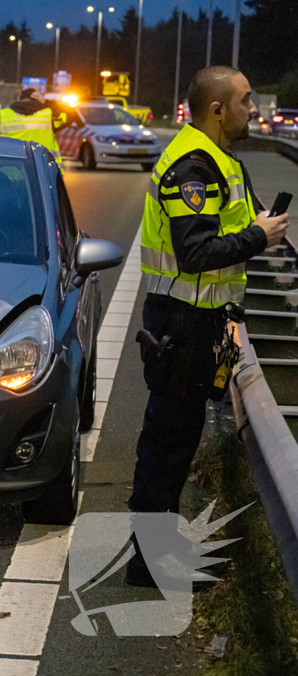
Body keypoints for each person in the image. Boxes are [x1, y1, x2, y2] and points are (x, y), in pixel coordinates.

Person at [127, 66, 290, 587]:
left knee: (177, 440)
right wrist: (258, 238)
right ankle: (150, 564)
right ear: (217, 109)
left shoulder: (220, 160)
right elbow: (195, 252)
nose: (253, 109)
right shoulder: (192, 167)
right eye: (245, 100)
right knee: (166, 444)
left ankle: (160, 551)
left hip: (199, 321)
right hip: (181, 323)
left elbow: (230, 227)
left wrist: (258, 228)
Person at [0, 88, 65, 165]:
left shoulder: (4, 114)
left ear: (20, 99)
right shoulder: (48, 114)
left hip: (10, 165)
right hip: (44, 167)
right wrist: (46, 102)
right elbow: (69, 113)